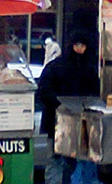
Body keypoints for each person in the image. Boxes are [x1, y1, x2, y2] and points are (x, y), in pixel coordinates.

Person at [37, 31, 100, 184]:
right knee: (57, 162)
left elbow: (94, 93)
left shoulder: (88, 68)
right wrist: (60, 106)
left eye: (83, 45)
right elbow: (44, 91)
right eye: (77, 45)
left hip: (78, 124)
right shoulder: (57, 67)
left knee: (69, 164)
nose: (80, 49)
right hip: (57, 123)